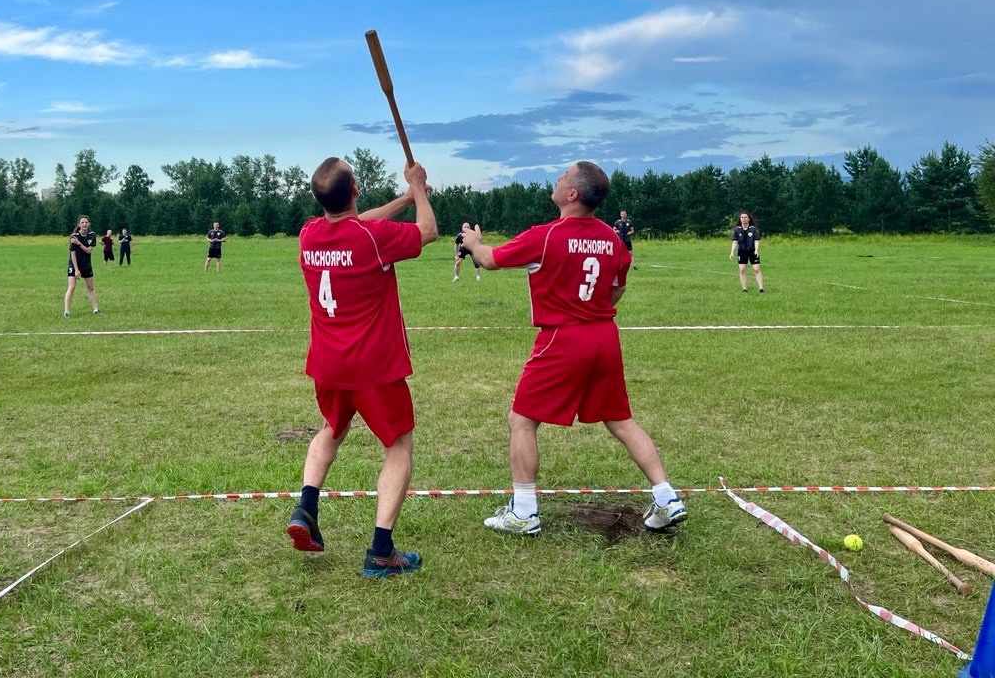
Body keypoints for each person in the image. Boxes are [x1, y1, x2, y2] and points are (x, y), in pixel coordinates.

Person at [461, 161, 687, 536]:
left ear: (572, 194)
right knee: (621, 420)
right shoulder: (613, 239)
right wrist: (591, 308)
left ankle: (524, 512)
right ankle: (667, 497)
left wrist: (473, 242)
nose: (558, 178)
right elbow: (618, 287)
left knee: (522, 420)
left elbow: (489, 259)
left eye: (564, 176)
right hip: (604, 336)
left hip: (562, 338)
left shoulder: (546, 235)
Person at [288, 157, 437, 578]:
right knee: (399, 446)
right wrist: (419, 188)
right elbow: (428, 231)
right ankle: (381, 552)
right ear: (355, 189)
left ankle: (306, 507)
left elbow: (356, 223)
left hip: (328, 364)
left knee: (331, 429)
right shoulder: (373, 238)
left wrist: (405, 197)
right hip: (374, 368)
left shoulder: (309, 234)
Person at [64, 215, 101, 317]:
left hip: (86, 264)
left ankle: (96, 310)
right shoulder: (74, 236)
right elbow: (73, 254)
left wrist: (78, 243)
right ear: (79, 224)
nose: (84, 224)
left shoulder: (92, 235)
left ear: (89, 224)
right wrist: (76, 270)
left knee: (90, 287)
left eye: (86, 222)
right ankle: (66, 312)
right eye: (82, 222)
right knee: (72, 286)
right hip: (74, 264)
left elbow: (89, 251)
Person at [731, 211, 765, 293]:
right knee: (742, 270)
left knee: (756, 269)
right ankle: (744, 289)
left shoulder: (753, 229)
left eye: (745, 217)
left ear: (749, 219)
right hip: (742, 251)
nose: (744, 219)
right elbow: (735, 241)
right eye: (742, 217)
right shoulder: (737, 230)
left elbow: (756, 240)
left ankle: (761, 289)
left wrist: (756, 250)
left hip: (752, 251)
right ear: (740, 219)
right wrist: (732, 252)